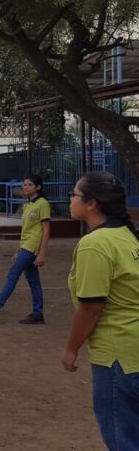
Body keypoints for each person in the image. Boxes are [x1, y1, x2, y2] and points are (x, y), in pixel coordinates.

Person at [61, 172, 139, 449]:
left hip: (118, 354)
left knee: (122, 439)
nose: (70, 200)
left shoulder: (95, 244)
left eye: (75, 195)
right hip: (133, 347)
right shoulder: (127, 236)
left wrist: (72, 348)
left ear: (92, 203)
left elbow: (91, 307)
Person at [0, 174, 50, 324]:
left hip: (32, 247)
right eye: (24, 184)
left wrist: (42, 253)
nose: (25, 187)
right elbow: (25, 230)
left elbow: (46, 229)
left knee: (13, 274)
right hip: (26, 246)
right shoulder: (27, 205)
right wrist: (18, 250)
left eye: (29, 185)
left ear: (38, 187)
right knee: (33, 281)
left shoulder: (42, 204)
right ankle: (38, 313)